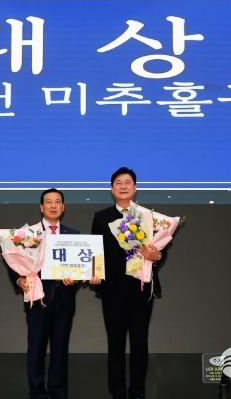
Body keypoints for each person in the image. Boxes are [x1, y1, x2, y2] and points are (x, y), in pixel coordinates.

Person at [90, 167, 163, 399]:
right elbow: (95, 252)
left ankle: (138, 393)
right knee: (115, 343)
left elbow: (159, 250)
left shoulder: (148, 216)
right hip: (113, 290)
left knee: (140, 343)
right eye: (118, 183)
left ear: (135, 187)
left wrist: (157, 256)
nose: (123, 186)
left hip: (141, 287)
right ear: (112, 189)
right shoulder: (101, 217)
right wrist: (94, 273)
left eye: (128, 182)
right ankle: (118, 393)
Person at [8, 188, 79, 399]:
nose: (53, 205)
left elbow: (80, 267)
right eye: (49, 202)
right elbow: (14, 263)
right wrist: (19, 280)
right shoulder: (28, 234)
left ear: (63, 207)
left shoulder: (74, 235)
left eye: (58, 202)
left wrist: (75, 279)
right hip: (37, 300)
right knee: (36, 350)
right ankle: (37, 393)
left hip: (64, 302)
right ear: (41, 207)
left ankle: (58, 393)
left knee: (60, 352)